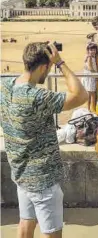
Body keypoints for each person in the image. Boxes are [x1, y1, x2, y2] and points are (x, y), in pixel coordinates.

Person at [0, 42, 88, 238]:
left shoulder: (5, 87)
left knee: (25, 222)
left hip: (21, 173)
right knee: (51, 232)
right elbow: (81, 95)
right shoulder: (36, 97)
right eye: (48, 68)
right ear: (43, 67)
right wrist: (60, 62)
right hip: (42, 179)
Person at [81, 42, 98, 112]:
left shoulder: (89, 56)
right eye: (91, 50)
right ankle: (92, 109)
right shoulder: (89, 57)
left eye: (94, 50)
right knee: (92, 94)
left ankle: (89, 109)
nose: (93, 51)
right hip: (90, 77)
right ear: (88, 50)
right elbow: (90, 68)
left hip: (89, 77)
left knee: (90, 94)